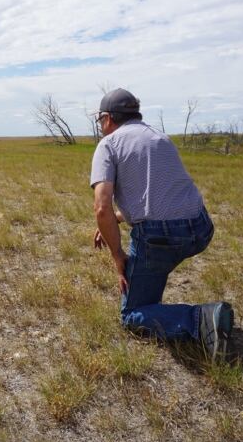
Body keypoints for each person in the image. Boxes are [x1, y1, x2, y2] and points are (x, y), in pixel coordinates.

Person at [89, 88, 234, 360]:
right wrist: (119, 219)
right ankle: (158, 281)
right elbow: (159, 196)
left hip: (160, 239)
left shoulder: (108, 144)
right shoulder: (159, 137)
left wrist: (118, 255)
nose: (100, 126)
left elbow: (101, 206)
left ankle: (200, 319)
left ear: (107, 118)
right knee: (157, 264)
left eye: (100, 120)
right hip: (200, 229)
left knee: (132, 314)